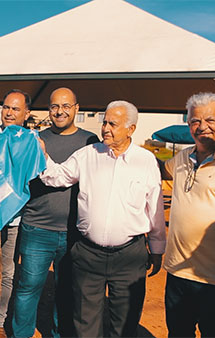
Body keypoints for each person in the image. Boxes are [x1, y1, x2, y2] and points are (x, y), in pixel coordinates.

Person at [38, 100, 166, 337]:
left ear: (131, 129)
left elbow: (155, 209)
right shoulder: (88, 155)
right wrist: (41, 154)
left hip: (130, 256)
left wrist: (157, 248)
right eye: (104, 122)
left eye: (113, 124)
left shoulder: (146, 160)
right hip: (88, 255)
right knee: (85, 323)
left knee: (125, 324)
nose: (105, 128)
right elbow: (56, 177)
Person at [11, 87, 99, 338]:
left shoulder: (91, 141)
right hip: (36, 227)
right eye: (54, 106)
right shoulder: (34, 139)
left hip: (75, 231)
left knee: (68, 291)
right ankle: (21, 334)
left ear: (77, 108)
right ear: (48, 109)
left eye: (66, 106)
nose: (60, 111)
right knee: (28, 289)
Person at [160, 92, 215, 337]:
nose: (202, 127)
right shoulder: (183, 157)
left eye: (210, 120)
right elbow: (160, 171)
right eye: (195, 121)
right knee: (178, 332)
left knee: (213, 333)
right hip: (176, 271)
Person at [0, 89, 31, 337]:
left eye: (15, 109)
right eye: (6, 107)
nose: (9, 112)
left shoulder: (31, 142)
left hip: (13, 220)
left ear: (26, 114)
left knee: (6, 273)